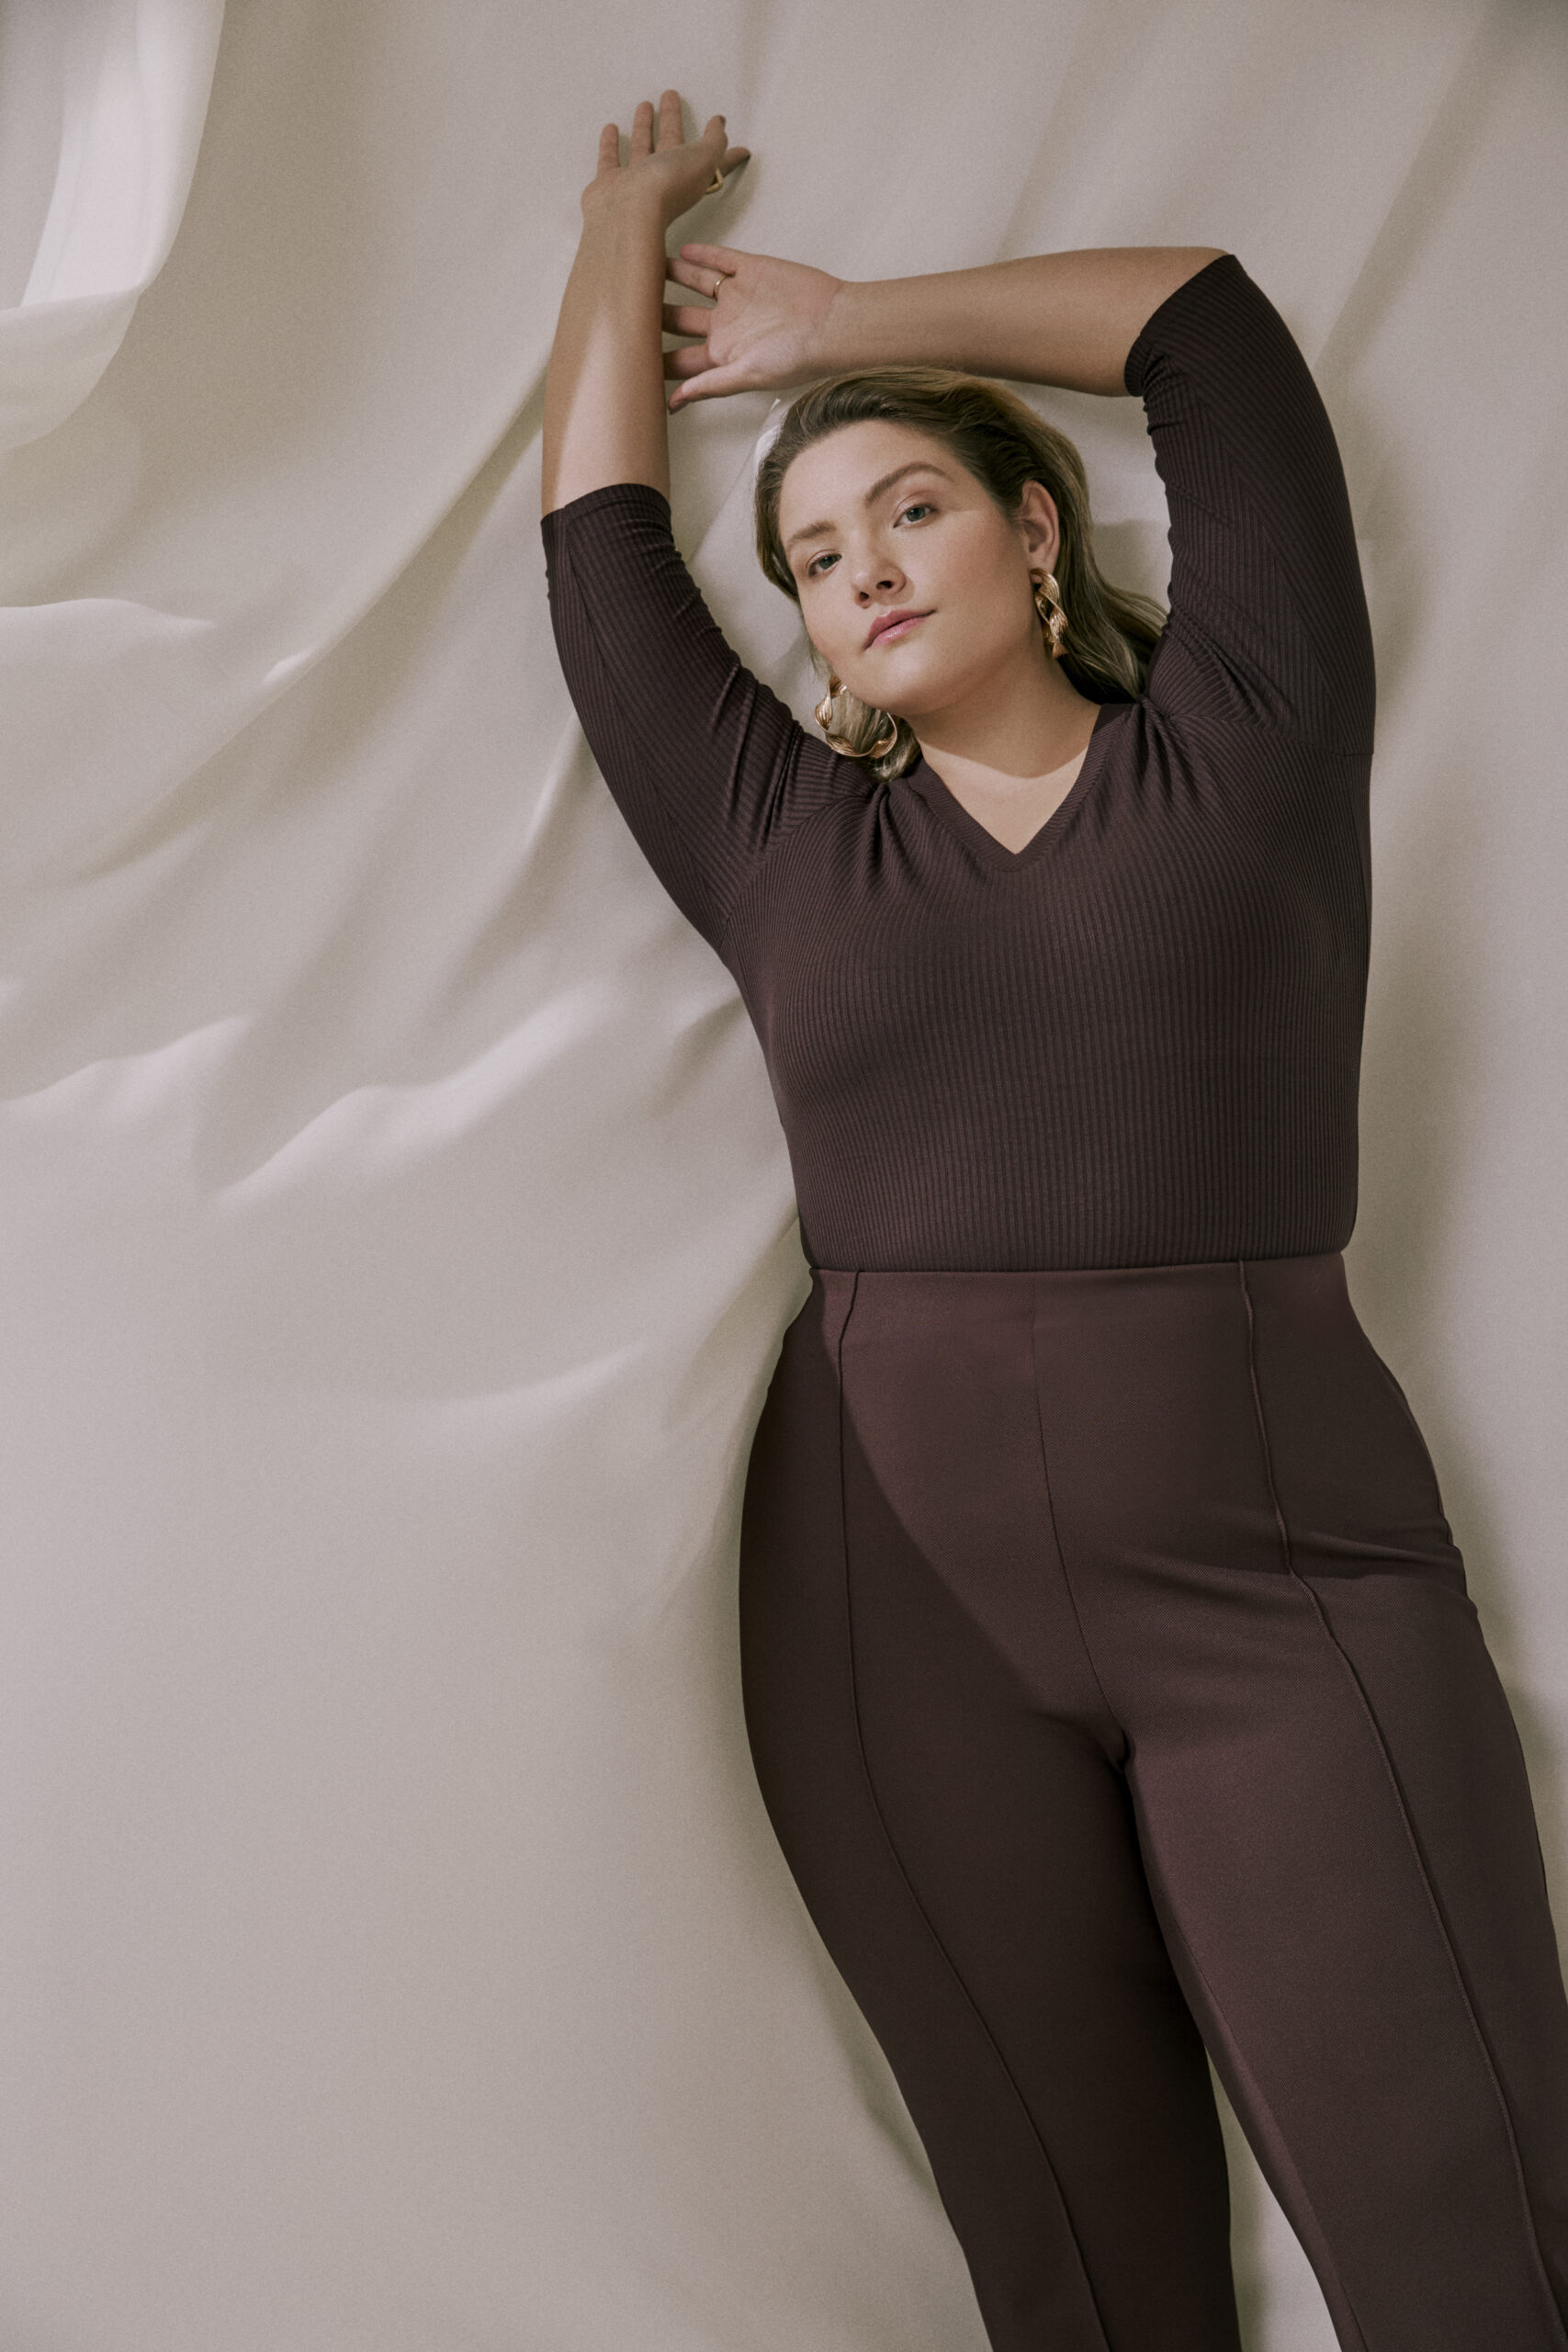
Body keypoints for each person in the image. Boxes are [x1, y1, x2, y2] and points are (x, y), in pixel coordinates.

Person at [540, 87, 1568, 2352]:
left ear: (1031, 531)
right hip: (890, 1622)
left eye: (907, 506)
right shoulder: (776, 841)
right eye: (814, 555)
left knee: (1478, 2254)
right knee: (1087, 2296)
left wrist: (837, 325)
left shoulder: (1250, 732)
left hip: (1287, 1582)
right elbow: (602, 549)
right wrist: (617, 225)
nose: (862, 566)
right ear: (812, 638)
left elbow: (1206, 328)